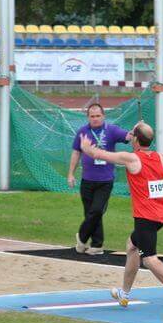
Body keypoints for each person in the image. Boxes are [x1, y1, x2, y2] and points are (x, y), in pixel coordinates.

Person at [79, 122, 163, 318]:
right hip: (160, 216)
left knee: (149, 259)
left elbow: (100, 154)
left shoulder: (132, 158)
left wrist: (86, 148)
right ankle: (124, 294)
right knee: (131, 246)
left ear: (136, 139)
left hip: (146, 217)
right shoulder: (161, 158)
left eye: (133, 136)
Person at [69, 103, 131, 255]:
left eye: (98, 116)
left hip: (105, 180)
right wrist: (70, 174)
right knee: (90, 213)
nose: (95, 119)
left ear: (103, 116)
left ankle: (81, 237)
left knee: (97, 211)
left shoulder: (112, 130)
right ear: (88, 117)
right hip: (87, 179)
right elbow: (76, 153)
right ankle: (97, 245)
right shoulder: (82, 132)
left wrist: (136, 130)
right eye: (92, 116)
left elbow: (128, 137)